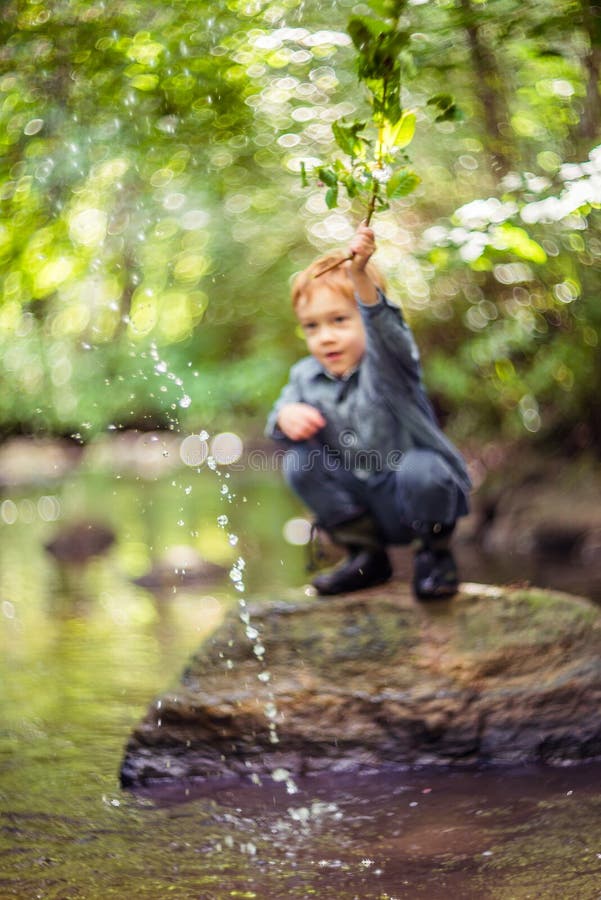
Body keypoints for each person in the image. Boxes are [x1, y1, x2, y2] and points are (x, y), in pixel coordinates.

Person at [265, 224, 471, 600]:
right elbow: (280, 416)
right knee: (299, 462)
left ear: (363, 318)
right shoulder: (304, 376)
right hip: (361, 509)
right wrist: (285, 415)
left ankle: (435, 557)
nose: (325, 336)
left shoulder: (389, 365)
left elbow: (386, 330)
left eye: (339, 320)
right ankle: (367, 558)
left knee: (423, 469)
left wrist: (359, 274)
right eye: (312, 326)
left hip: (410, 503)